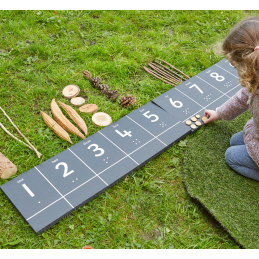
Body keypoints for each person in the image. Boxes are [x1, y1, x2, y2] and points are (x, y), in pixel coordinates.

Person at [204, 16, 259, 181]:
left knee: (231, 156)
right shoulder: (255, 80)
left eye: (235, 66)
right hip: (256, 132)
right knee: (235, 140)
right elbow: (244, 97)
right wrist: (219, 113)